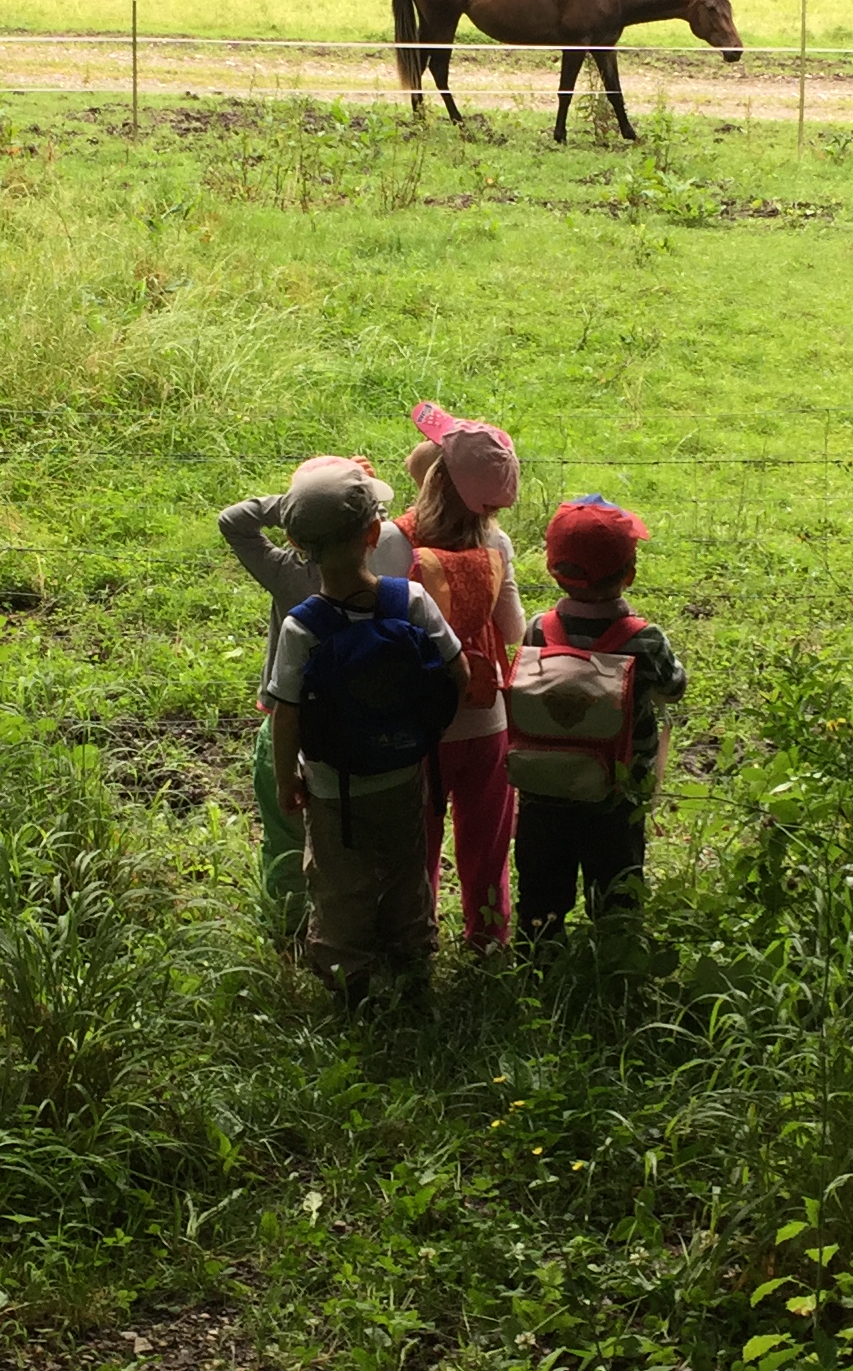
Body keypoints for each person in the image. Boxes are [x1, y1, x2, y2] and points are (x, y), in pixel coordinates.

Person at [265, 455, 464, 999]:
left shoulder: (302, 625)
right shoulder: (411, 601)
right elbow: (458, 671)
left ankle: (345, 972)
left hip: (334, 786)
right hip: (402, 772)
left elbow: (287, 712)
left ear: (301, 548)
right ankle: (414, 959)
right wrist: (422, 735)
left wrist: (288, 780)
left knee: (337, 879)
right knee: (406, 869)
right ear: (374, 533)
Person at [375, 400, 526, 948]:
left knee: (417, 838)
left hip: (417, 723)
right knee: (487, 840)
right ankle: (489, 935)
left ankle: (418, 932)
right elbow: (513, 630)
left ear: (433, 477)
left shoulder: (394, 541)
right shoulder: (496, 544)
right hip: (487, 717)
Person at [507, 494, 687, 940]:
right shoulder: (644, 640)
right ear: (630, 573)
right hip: (616, 795)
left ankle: (538, 956)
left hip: (543, 793)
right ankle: (617, 955)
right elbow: (674, 688)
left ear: (554, 569)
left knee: (540, 887)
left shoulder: (537, 628)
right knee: (617, 884)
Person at [218, 478, 330, 934]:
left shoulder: (289, 574)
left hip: (287, 719)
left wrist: (296, 500)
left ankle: (290, 933)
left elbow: (234, 521)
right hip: (353, 723)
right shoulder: (382, 569)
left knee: (285, 833)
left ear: (293, 531)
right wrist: (346, 494)